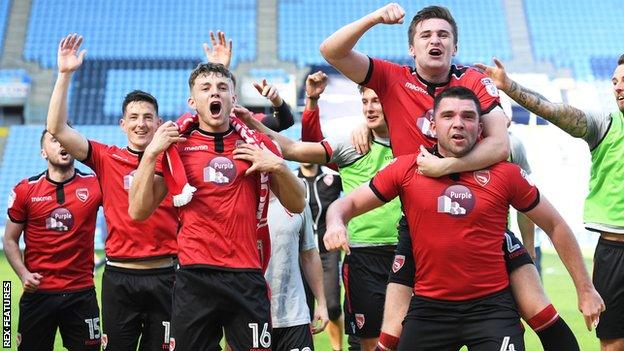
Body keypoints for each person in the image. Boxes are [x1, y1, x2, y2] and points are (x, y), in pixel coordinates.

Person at [318, 4, 579, 350]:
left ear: (455, 46)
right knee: (391, 330)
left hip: (482, 213)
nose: (434, 41)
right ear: (411, 48)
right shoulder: (391, 79)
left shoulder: (473, 81)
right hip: (420, 221)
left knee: (538, 309)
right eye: (425, 35)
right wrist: (375, 19)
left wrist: (444, 166)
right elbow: (331, 51)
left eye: (443, 35)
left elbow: (501, 144)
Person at [323, 87, 604, 351]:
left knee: (544, 316)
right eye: (448, 116)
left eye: (468, 116)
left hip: (492, 310)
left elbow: (555, 224)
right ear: (433, 126)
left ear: (480, 128)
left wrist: (586, 289)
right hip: (429, 311)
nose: (458, 123)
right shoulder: (407, 169)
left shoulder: (505, 174)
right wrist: (336, 222)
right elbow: (345, 204)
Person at [127, 62, 305, 351]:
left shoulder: (258, 145)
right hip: (195, 277)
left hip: (246, 275)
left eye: (223, 88)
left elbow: (297, 204)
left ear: (233, 99)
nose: (215, 94)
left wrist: (279, 166)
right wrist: (150, 154)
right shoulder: (176, 147)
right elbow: (138, 211)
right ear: (192, 100)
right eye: (206, 88)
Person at [238, 73, 400, 351]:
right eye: (365, 102)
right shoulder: (353, 146)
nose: (370, 108)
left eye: (377, 101)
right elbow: (297, 147)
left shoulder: (413, 143)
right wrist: (254, 124)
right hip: (362, 254)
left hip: (409, 252)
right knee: (367, 342)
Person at [476, 55, 624, 351]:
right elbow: (553, 110)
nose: (618, 88)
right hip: (615, 251)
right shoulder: (604, 125)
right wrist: (510, 87)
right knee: (614, 344)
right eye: (615, 81)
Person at [46, 34, 179, 350]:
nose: (141, 124)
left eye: (148, 117)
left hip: (167, 277)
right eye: (134, 117)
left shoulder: (175, 159)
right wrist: (64, 75)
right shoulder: (106, 157)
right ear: (122, 124)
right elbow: (57, 129)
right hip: (119, 277)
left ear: (159, 122)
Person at [3, 131, 102, 351]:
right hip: (38, 295)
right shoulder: (25, 190)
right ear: (42, 153)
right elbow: (9, 240)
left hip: (81, 294)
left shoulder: (96, 184)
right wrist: (23, 274)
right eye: (55, 140)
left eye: (66, 138)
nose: (62, 144)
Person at [265, 193, 329, 350]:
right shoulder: (240, 201)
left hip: (295, 316)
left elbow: (309, 254)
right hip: (251, 313)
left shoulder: (297, 202)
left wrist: (321, 302)